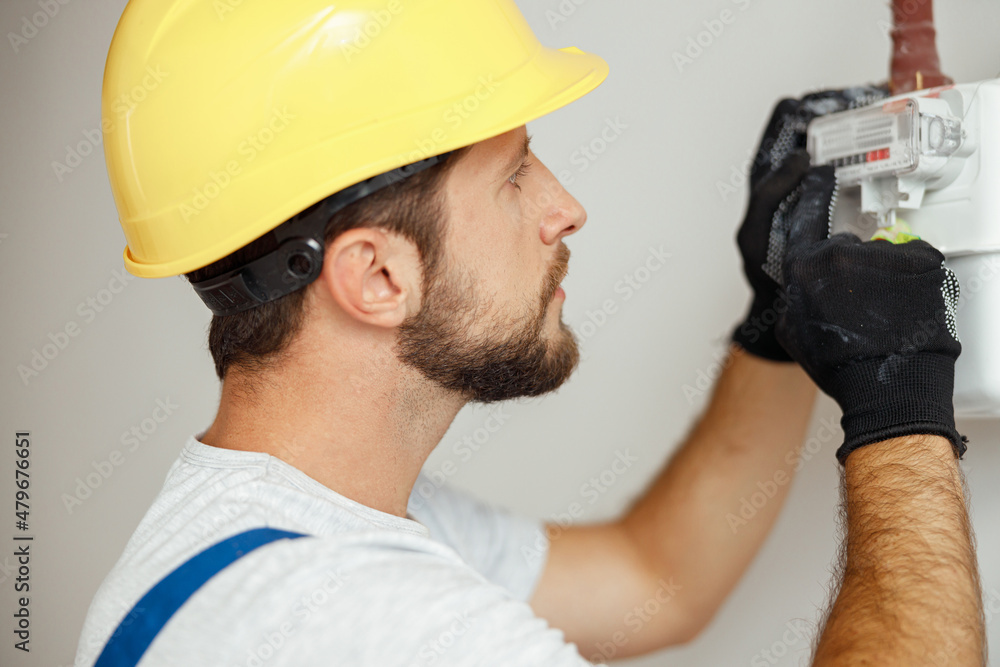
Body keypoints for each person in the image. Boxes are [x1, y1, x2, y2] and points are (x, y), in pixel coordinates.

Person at [76, 1, 985, 665]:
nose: (566, 208)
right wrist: (899, 406)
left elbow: (654, 578)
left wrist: (775, 325)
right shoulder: (361, 626)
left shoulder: (304, 526)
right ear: (377, 276)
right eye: (513, 176)